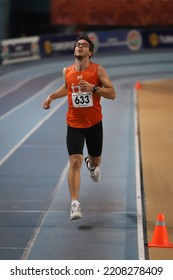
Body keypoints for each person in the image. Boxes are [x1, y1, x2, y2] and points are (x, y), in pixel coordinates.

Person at [43, 35, 116, 220]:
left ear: (90, 52)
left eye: (84, 45)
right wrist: (51, 96)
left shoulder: (98, 70)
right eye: (78, 45)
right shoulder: (66, 71)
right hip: (74, 124)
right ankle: (75, 204)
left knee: (95, 160)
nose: (80, 47)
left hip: (94, 124)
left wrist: (94, 88)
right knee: (75, 161)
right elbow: (67, 88)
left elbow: (112, 94)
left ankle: (91, 166)